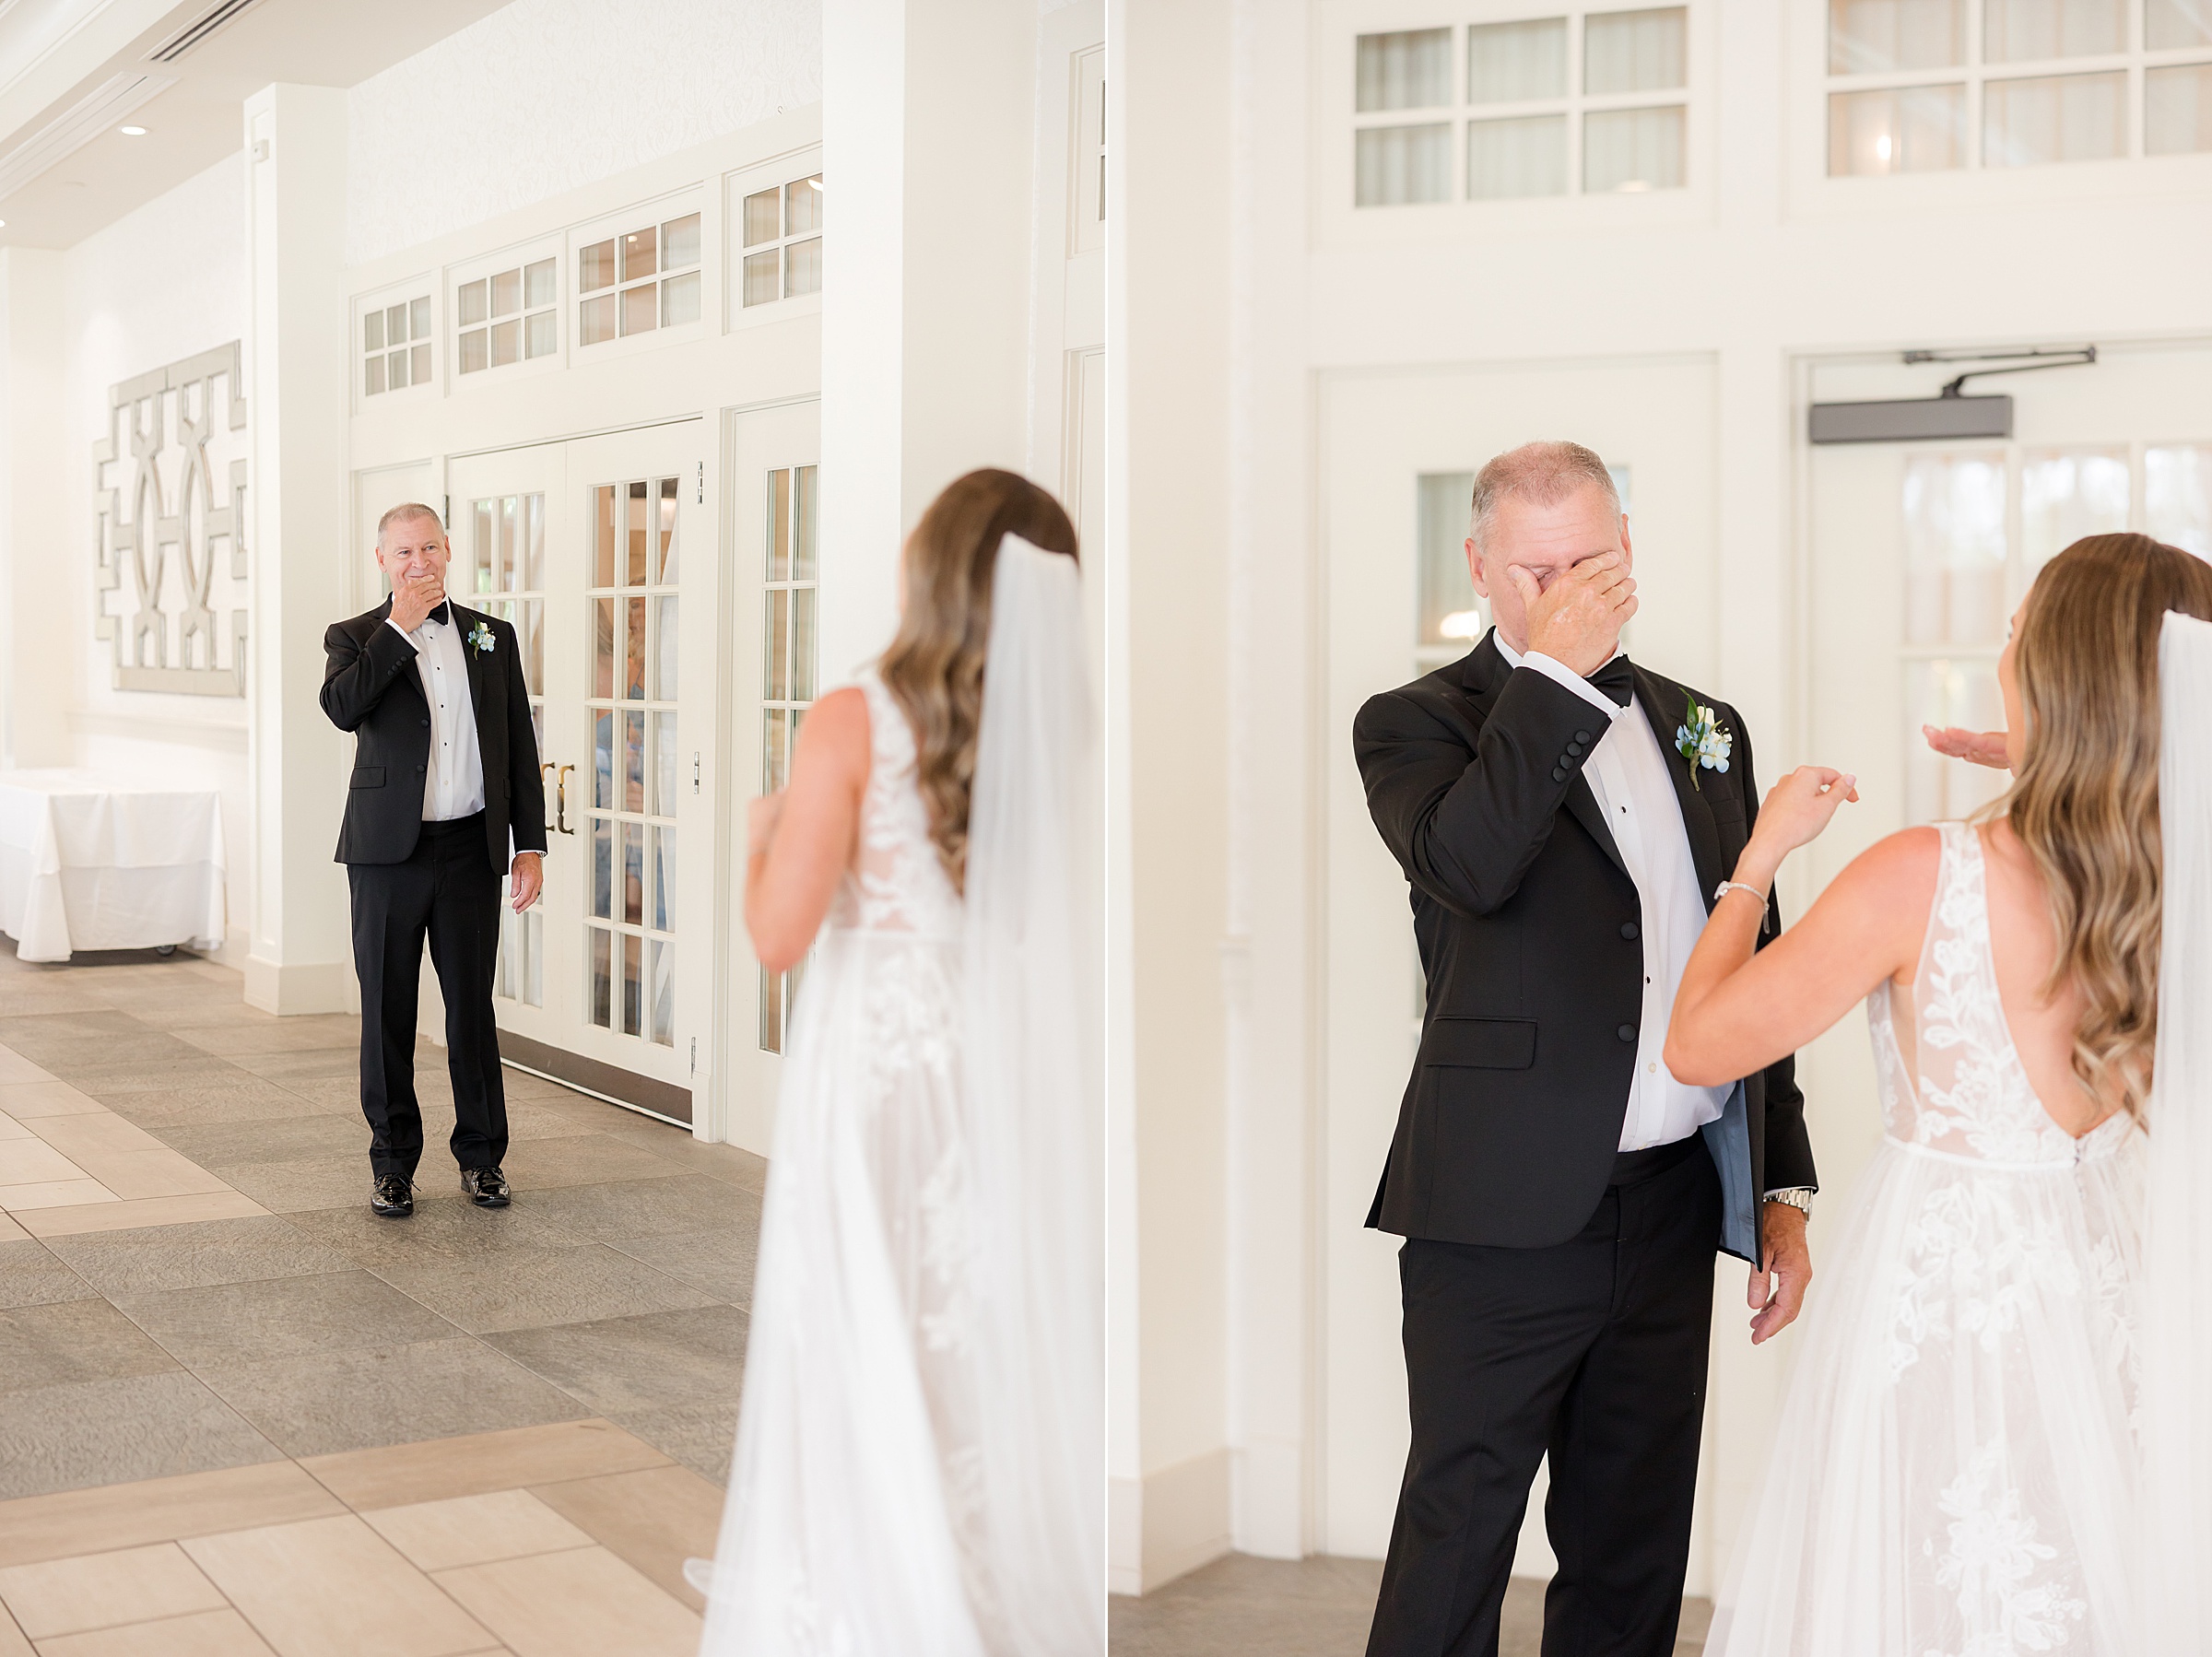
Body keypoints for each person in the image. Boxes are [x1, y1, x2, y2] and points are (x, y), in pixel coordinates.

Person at [1668, 533, 2212, 1654]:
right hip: (2108, 1283)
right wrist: (2088, 760)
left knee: (1918, 1585)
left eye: (2017, 626)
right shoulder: (2182, 874)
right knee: (2082, 1566)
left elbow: (1699, 1045)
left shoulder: (1925, 872)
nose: (1998, 643)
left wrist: (1757, 856)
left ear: (2053, 670)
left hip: (1944, 1290)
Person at [1353, 441, 1818, 1657]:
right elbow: (1468, 863)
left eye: (1595, 561)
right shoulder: (1414, 725)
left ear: (1631, 550)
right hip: (1497, 1213)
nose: (1569, 588)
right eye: (1540, 567)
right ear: (1481, 567)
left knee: (1632, 1546)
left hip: (1668, 1205)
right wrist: (1554, 673)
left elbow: (1756, 955)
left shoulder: (1707, 726)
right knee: (1458, 1538)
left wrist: (1778, 1182)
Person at [693, 469, 1103, 1656]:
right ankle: (957, 1587)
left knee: (853, 1319)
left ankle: (875, 1599)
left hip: (872, 1062)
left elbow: (778, 933)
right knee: (950, 1332)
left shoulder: (855, 716)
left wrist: (758, 835)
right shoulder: (1048, 721)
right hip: (976, 1056)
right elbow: (1022, 918)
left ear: (930, 569)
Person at [319, 503, 546, 1219]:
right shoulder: (355, 638)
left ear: (448, 550)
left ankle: (482, 1160)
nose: (419, 562)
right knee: (387, 1011)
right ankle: (392, 1165)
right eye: (403, 552)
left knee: (471, 1015)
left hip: (471, 850)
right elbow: (341, 708)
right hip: (387, 856)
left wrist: (529, 844)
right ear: (381, 560)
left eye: (429, 548)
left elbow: (519, 748)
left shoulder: (491, 636)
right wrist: (400, 631)